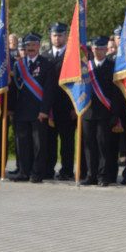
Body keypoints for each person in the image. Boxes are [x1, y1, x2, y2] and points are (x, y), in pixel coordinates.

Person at [9, 32, 52, 183]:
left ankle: (37, 173)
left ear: (39, 46)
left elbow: (48, 90)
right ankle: (23, 172)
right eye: (28, 45)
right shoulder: (18, 65)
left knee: (38, 145)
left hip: (38, 111)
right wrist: (10, 108)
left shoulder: (46, 64)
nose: (31, 48)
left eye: (34, 45)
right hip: (21, 111)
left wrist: (44, 110)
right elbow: (14, 89)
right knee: (22, 144)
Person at [82, 36, 119, 186]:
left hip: (105, 113)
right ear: (92, 49)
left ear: (106, 50)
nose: (99, 51)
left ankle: (103, 176)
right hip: (88, 112)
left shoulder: (112, 67)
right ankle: (91, 175)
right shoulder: (85, 68)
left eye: (102, 49)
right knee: (89, 145)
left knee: (104, 145)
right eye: (96, 49)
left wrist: (115, 113)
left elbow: (116, 93)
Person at [45, 21, 77, 181]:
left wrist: (75, 107)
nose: (57, 38)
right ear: (51, 37)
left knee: (67, 142)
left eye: (60, 35)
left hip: (66, 106)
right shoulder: (45, 56)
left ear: (66, 36)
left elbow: (77, 84)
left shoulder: (72, 56)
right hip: (49, 107)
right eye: (55, 35)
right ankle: (48, 169)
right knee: (49, 141)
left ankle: (67, 170)